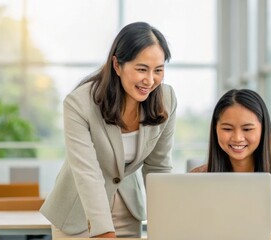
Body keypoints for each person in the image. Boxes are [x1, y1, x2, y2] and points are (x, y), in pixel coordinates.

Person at [40, 22, 177, 239]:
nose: (150, 80)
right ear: (117, 64)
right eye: (141, 69)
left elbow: (158, 168)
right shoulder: (80, 103)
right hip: (79, 212)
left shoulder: (166, 100)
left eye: (158, 70)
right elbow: (87, 173)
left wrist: (168, 225)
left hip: (128, 211)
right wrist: (103, 231)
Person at [191, 89, 271, 240]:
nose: (238, 138)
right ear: (215, 129)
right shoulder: (196, 179)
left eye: (247, 129)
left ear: (263, 129)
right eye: (227, 129)